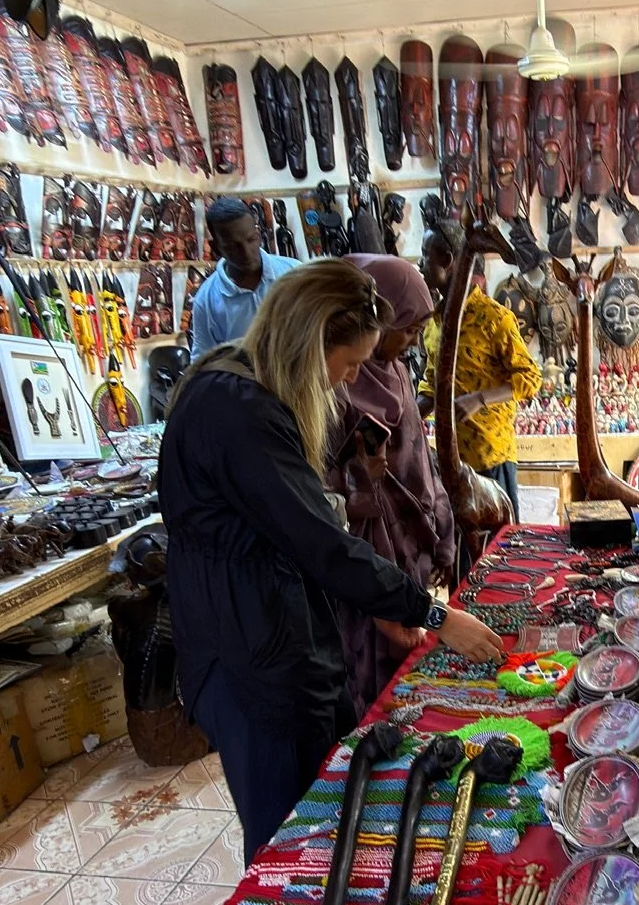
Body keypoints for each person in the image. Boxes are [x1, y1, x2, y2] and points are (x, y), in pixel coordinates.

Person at [159, 260, 502, 862]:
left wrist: (376, 603)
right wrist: (436, 615)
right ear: (308, 340)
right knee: (286, 832)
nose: (345, 383)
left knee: (326, 802)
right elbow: (319, 541)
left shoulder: (246, 386)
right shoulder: (237, 409)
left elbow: (300, 530)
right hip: (247, 653)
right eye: (346, 365)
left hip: (275, 630)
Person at [326, 253, 456, 718]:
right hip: (362, 544)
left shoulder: (396, 371)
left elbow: (420, 457)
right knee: (371, 665)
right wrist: (356, 485)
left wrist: (441, 527)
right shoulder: (334, 382)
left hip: (409, 538)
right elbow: (316, 483)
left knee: (410, 656)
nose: (411, 340)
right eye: (408, 328)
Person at [419, 252, 542, 519]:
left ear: (449, 260)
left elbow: (531, 378)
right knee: (459, 550)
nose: (420, 263)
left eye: (427, 255)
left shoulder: (495, 318)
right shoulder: (433, 323)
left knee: (499, 544)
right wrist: (409, 416)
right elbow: (431, 383)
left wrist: (479, 399)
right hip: (450, 459)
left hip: (490, 456)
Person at [188, 197, 298, 355]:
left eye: (251, 240)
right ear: (216, 248)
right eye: (233, 246)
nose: (246, 252)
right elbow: (202, 361)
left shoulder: (295, 273)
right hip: (245, 379)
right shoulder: (206, 301)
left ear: (259, 236)